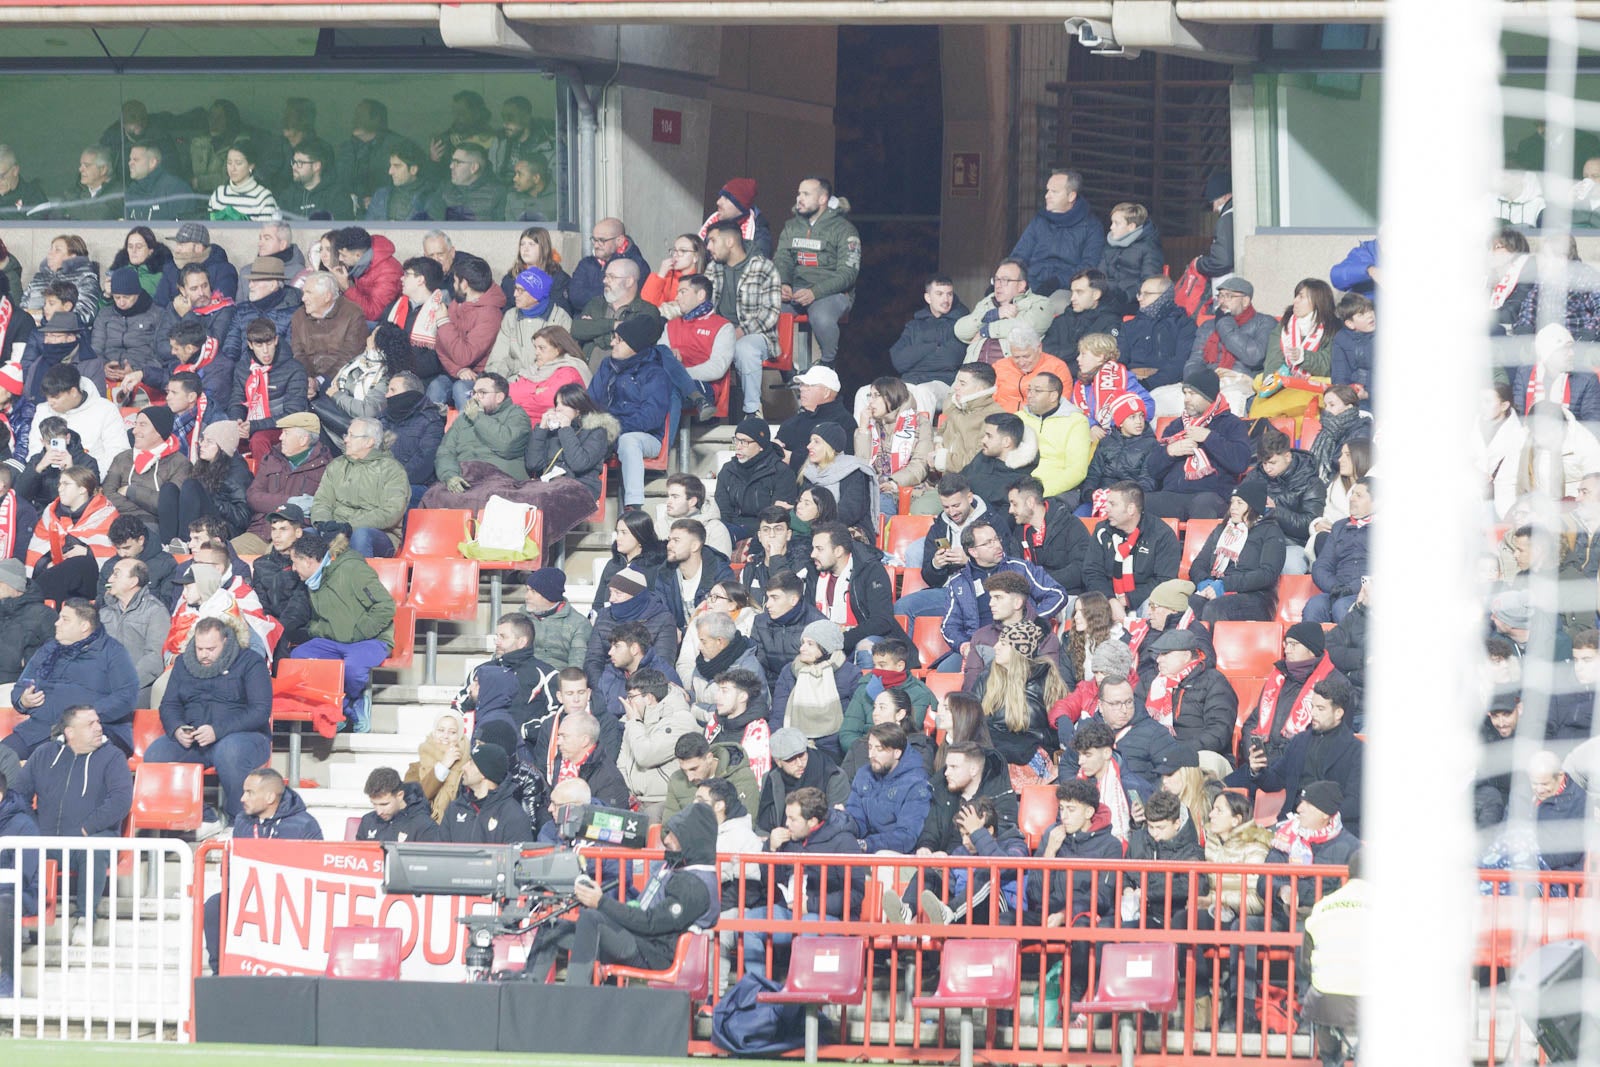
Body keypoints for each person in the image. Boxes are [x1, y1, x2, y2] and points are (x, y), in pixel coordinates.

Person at [524, 803, 717, 985]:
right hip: (639, 939)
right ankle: (524, 993)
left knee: (593, 918)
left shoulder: (695, 885)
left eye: (676, 836)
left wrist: (601, 902)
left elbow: (651, 923)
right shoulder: (677, 866)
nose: (666, 840)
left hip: (652, 952)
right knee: (551, 929)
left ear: (692, 839)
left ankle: (575, 993)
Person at [18, 704, 132, 945]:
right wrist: (33, 827)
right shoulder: (44, 754)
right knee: (17, 844)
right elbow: (19, 795)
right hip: (47, 838)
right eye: (90, 724)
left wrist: (86, 828)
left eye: (98, 722)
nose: (98, 727)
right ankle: (22, 916)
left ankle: (85, 919)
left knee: (95, 847)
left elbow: (120, 800)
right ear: (70, 732)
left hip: (88, 838)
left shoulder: (113, 756)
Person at [144, 615, 272, 820]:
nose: (204, 654)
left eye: (210, 649)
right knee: (155, 755)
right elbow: (169, 705)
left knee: (229, 751)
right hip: (195, 739)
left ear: (225, 641)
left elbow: (260, 710)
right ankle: (203, 818)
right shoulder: (183, 664)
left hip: (245, 738)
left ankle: (238, 820)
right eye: (199, 648)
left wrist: (218, 731)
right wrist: (177, 728)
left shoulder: (250, 661)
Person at [1021, 778, 1122, 1001]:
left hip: (1083, 916)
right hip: (1047, 913)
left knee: (1081, 928)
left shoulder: (1110, 845)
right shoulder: (1053, 837)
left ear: (1088, 812)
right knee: (1005, 922)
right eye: (1062, 809)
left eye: (1071, 809)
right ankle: (1000, 1004)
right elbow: (1035, 894)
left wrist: (1065, 914)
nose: (1063, 816)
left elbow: (1103, 898)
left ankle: (1073, 1000)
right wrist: (1049, 853)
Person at [287, 530, 394, 731]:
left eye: (295, 563)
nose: (293, 569)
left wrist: (358, 633)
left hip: (371, 639)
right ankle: (342, 708)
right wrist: (318, 630)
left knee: (352, 669)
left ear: (309, 561)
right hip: (334, 641)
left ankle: (357, 700)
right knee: (300, 657)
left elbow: (385, 606)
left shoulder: (353, 569)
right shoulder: (314, 579)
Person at [1230, 676, 1363, 836]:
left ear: (1338, 713)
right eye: (1312, 707)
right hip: (1292, 823)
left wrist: (1319, 818)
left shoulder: (1356, 751)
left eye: (1320, 709)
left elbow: (1355, 802)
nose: (1313, 713)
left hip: (1334, 829)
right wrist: (1258, 770)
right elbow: (1275, 781)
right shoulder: (1300, 741)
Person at [940, 521, 1065, 663]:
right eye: (988, 543)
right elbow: (949, 625)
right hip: (978, 645)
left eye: (996, 539)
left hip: (1020, 641)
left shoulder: (1020, 568)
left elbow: (1057, 594)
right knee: (945, 669)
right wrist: (963, 645)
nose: (997, 545)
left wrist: (1030, 622)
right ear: (973, 551)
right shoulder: (958, 582)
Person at [1147, 366, 1253, 521]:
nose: (1186, 399)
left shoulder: (1231, 424)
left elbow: (1240, 462)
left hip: (1212, 496)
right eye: (1185, 393)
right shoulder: (1176, 426)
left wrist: (1209, 438)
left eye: (1193, 394)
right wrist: (1169, 452)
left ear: (1208, 396)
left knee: (1203, 504)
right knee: (1140, 504)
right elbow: (1153, 469)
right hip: (1174, 495)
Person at [1236, 622, 1349, 766]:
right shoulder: (1278, 677)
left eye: (1294, 644)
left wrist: (1277, 762)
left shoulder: (1336, 683)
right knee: (1224, 785)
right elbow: (1253, 722)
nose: (1287, 650)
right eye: (1286, 644)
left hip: (1301, 768)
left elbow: (1331, 738)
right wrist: (1251, 752)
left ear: (1312, 649)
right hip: (1260, 763)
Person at [774, 177, 860, 366]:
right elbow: (782, 258)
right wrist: (784, 284)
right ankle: (788, 372)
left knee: (820, 317)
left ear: (822, 199)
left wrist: (815, 292)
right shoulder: (792, 226)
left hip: (832, 293)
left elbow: (848, 274)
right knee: (769, 311)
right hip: (796, 290)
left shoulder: (844, 229)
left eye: (806, 194)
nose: (799, 198)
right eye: (798, 193)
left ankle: (828, 365)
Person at [589, 316, 672, 511]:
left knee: (628, 440)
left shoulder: (655, 373)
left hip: (646, 437)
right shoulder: (606, 366)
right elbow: (590, 401)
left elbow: (650, 417)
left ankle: (633, 507)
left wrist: (613, 427)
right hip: (606, 433)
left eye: (619, 340)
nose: (612, 343)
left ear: (634, 345)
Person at [810, 520, 916, 667]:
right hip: (826, 641)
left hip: (863, 638)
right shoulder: (813, 573)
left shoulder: (871, 571)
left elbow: (881, 621)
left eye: (819, 549)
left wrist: (840, 640)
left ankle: (865, 690)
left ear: (838, 551)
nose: (812, 554)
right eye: (813, 548)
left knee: (866, 649)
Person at [703, 219, 783, 406]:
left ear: (730, 242)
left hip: (756, 334)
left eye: (713, 241)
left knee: (744, 349)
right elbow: (704, 305)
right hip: (719, 334)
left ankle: (752, 411)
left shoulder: (763, 267)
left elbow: (770, 313)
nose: (708, 247)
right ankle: (704, 409)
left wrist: (739, 332)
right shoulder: (713, 268)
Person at [1186, 482, 1288, 621]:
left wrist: (1225, 584)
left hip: (1256, 597)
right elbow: (1199, 564)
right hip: (1216, 590)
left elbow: (1267, 574)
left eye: (1240, 503)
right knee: (1191, 604)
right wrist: (1205, 582)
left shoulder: (1270, 531)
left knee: (1214, 608)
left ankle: (1207, 643)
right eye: (1232, 502)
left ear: (1253, 507)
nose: (1233, 507)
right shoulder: (1221, 530)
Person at [310, 416, 408, 558]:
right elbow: (322, 501)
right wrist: (324, 526)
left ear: (369, 442)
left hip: (379, 534)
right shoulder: (336, 466)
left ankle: (358, 579)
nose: (345, 440)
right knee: (304, 535)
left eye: (352, 436)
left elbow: (391, 512)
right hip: (336, 529)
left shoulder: (392, 470)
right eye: (346, 434)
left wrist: (348, 527)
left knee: (361, 535)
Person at [1301, 850, 1365, 1067]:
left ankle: (1331, 1060)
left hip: (1326, 1000)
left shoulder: (1322, 906)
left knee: (1321, 1005)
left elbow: (1304, 963)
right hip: (1370, 1000)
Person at [1132, 628, 1236, 759]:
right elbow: (1135, 720)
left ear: (1186, 656)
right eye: (1158, 654)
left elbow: (1219, 731)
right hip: (1155, 752)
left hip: (1200, 754)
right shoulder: (1150, 681)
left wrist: (1179, 751)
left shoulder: (1213, 681)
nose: (1158, 660)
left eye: (1165, 654)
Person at [1082, 481, 1182, 612]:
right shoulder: (1102, 531)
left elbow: (1164, 580)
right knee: (1078, 607)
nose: (1105, 508)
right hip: (1107, 599)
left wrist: (1127, 600)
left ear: (1131, 509)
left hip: (1144, 600)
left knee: (1153, 608)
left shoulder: (1162, 535)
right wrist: (1111, 600)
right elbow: (1092, 572)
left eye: (1112, 504)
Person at [1184, 275, 1276, 416]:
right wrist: (1197, 384)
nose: (1222, 301)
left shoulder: (1265, 323)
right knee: (1160, 397)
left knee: (1230, 399)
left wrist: (1224, 323)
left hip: (1242, 382)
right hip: (1208, 381)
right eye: (1220, 296)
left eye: (1229, 296)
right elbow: (1194, 361)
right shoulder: (1208, 326)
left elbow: (1253, 356)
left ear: (1245, 300)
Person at [1249, 278, 1339, 420]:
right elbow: (1273, 359)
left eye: (1301, 297)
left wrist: (1304, 357)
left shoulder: (1333, 328)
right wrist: (1274, 382)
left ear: (1318, 300)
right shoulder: (1284, 325)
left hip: (1313, 387)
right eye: (1296, 296)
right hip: (1282, 384)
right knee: (1261, 405)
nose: (1295, 301)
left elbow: (1329, 365)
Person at [1241, 427, 1326, 574]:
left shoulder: (1311, 481)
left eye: (1272, 462)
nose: (1267, 468)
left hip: (1292, 544)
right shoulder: (1255, 476)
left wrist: (1276, 511)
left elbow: (1310, 524)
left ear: (1287, 456)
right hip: (1255, 540)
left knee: (1290, 566)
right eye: (1264, 463)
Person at [1009, 169, 1104, 297]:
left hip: (1066, 289)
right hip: (1030, 284)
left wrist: (1059, 281)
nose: (1047, 195)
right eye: (1047, 190)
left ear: (1071, 196)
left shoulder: (1092, 226)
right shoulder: (1040, 220)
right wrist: (1005, 278)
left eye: (1054, 192)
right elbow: (1019, 256)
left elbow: (1089, 267)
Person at [885, 275, 969, 413]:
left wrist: (914, 357)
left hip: (943, 384)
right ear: (928, 298)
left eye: (949, 294)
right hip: (910, 382)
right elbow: (899, 361)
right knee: (866, 393)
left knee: (923, 392)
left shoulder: (961, 323)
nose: (946, 299)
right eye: (939, 294)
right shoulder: (914, 325)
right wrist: (932, 346)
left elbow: (950, 360)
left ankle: (922, 435)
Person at [584, 567, 680, 687]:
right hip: (607, 683)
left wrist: (634, 692)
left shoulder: (663, 620)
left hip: (646, 687)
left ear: (636, 596)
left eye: (618, 593)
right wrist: (601, 689)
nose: (611, 599)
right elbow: (593, 660)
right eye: (611, 592)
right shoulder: (604, 616)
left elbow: (662, 664)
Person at [487, 270, 576, 399]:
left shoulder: (559, 319)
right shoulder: (511, 316)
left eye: (520, 290)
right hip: (512, 382)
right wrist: (492, 383)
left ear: (536, 294)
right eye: (515, 289)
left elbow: (561, 363)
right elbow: (498, 357)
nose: (514, 294)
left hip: (544, 386)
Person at [953, 258, 1055, 365]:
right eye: (996, 280)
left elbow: (1028, 328)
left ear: (1021, 285)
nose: (998, 285)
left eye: (1005, 280)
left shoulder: (1041, 303)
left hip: (1010, 374)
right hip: (972, 372)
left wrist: (986, 330)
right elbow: (960, 331)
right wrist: (994, 314)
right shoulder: (987, 302)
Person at [100, 555, 168, 703]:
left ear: (133, 581)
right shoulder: (104, 613)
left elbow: (154, 658)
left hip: (138, 686)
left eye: (116, 574)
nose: (110, 579)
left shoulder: (155, 611)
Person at [572, 256, 660, 369]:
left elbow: (634, 342)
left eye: (611, 277)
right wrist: (614, 325)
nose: (604, 281)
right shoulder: (596, 303)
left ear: (629, 281)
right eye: (605, 276)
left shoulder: (647, 311)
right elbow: (576, 329)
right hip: (586, 376)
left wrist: (594, 330)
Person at [1305, 477, 1372, 624]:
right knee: (1314, 606)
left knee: (1342, 607)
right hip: (1337, 590)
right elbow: (1322, 565)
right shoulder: (1339, 527)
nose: (1352, 498)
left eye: (1359, 495)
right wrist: (1335, 587)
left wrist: (1352, 588)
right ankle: (1309, 647)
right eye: (1352, 493)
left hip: (1368, 594)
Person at [715, 419, 795, 542]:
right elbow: (723, 510)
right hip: (730, 530)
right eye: (736, 440)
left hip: (765, 531)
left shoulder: (781, 472)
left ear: (761, 446)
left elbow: (777, 516)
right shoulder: (728, 470)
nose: (738, 446)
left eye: (744, 442)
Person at [440, 741, 536, 843]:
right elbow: (440, 853)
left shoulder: (512, 816)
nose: (464, 767)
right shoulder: (455, 808)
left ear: (485, 773)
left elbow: (516, 856)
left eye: (471, 763)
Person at [1016, 370, 1090, 500]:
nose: (1030, 395)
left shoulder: (1076, 421)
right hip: (1017, 488)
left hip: (1057, 491)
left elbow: (1076, 471)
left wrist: (1038, 493)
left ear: (1053, 396)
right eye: (1029, 390)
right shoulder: (1018, 418)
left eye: (1037, 391)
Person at [291, 272, 368, 392]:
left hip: (343, 383)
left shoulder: (353, 314)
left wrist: (321, 382)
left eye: (309, 293)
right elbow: (298, 354)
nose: (303, 298)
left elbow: (349, 357)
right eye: (303, 292)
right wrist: (309, 380)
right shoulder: (299, 316)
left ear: (327, 297)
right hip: (307, 382)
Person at [1120, 276, 1195, 394]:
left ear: (1164, 295)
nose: (1140, 298)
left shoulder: (1183, 324)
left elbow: (1180, 362)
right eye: (1139, 293)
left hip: (1167, 385)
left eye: (1147, 294)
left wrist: (1148, 384)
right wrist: (1128, 382)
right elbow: (1119, 360)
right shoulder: (1128, 326)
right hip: (1130, 383)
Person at [960, 412, 1039, 515]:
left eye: (989, 436)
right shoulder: (984, 456)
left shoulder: (1019, 484)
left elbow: (1002, 525)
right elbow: (959, 479)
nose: (983, 440)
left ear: (1006, 442)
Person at [1042, 269, 1124, 365]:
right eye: (1072, 292)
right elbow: (1046, 351)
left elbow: (1099, 357)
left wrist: (1064, 353)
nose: (1072, 298)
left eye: (1079, 292)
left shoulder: (1111, 322)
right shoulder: (1061, 320)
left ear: (1096, 295)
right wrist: (1080, 349)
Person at [519, 568, 592, 670]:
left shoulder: (579, 624)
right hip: (521, 677)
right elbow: (503, 653)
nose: (527, 596)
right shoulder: (519, 618)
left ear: (549, 595)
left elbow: (577, 666)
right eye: (527, 590)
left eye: (533, 591)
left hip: (558, 680)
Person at [1099, 201, 1166, 310]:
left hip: (1134, 303)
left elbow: (1149, 281)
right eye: (1112, 222)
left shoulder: (1149, 248)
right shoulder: (1109, 247)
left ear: (1131, 226)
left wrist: (1126, 295)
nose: (1111, 227)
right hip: (1108, 299)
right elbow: (1100, 275)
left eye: (1117, 223)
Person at [940, 363, 1004, 476]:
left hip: (968, 485)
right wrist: (937, 444)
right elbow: (941, 431)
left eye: (962, 384)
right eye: (957, 382)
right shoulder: (956, 406)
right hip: (943, 479)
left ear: (980, 389)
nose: (956, 387)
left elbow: (978, 462)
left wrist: (941, 459)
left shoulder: (994, 417)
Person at [993, 324, 1072, 414]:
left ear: (1039, 348)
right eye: (1016, 357)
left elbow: (1062, 404)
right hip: (1002, 419)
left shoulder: (1057, 367)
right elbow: (990, 400)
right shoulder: (999, 366)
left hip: (1039, 420)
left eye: (1026, 356)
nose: (1021, 362)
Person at [356, 766, 442, 842]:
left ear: (400, 796)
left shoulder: (423, 825)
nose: (379, 812)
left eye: (384, 804)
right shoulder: (367, 821)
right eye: (374, 804)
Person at [124, 142, 204, 221]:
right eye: (130, 159)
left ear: (152, 162)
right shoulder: (132, 191)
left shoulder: (176, 189)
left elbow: (186, 229)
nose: (130, 163)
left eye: (136, 160)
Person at [699, 176, 774, 259]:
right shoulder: (713, 223)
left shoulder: (759, 235)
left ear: (740, 206)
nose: (718, 202)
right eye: (720, 197)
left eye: (726, 198)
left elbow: (759, 266)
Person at [280, 139, 356, 220]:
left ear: (316, 166)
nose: (294, 167)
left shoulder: (337, 195)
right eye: (294, 162)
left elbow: (342, 230)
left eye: (300, 163)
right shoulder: (287, 195)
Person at [206, 141, 279, 221]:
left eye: (238, 163)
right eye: (229, 163)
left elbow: (269, 232)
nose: (232, 168)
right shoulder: (218, 194)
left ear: (251, 165)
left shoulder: (263, 198)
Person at [441, 143, 507, 222]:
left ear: (474, 167)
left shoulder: (497, 192)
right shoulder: (445, 188)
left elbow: (501, 231)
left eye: (457, 162)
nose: (451, 166)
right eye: (452, 161)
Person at [1330, 292, 1375, 406]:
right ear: (1350, 324)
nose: (1370, 315)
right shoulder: (1341, 339)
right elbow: (1340, 373)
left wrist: (1368, 394)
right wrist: (1345, 395)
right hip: (1355, 396)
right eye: (1361, 314)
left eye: (1370, 310)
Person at [1195, 171, 1234, 280]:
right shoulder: (1236, 215)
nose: (1214, 208)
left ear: (1226, 196)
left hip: (1227, 288)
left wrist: (1199, 264)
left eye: (1215, 201)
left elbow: (1222, 261)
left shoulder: (1226, 219)